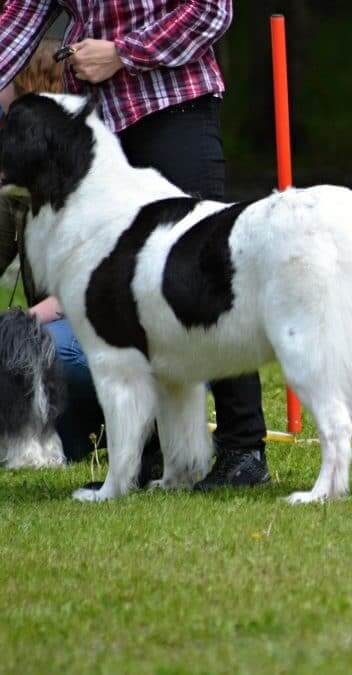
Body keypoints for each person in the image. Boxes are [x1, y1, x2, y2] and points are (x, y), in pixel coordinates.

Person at [0, 1, 270, 490]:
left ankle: (242, 448)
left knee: (212, 275)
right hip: (101, 131)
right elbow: (16, 21)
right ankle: (144, 457)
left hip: (173, 107)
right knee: (117, 301)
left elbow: (213, 11)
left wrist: (124, 53)